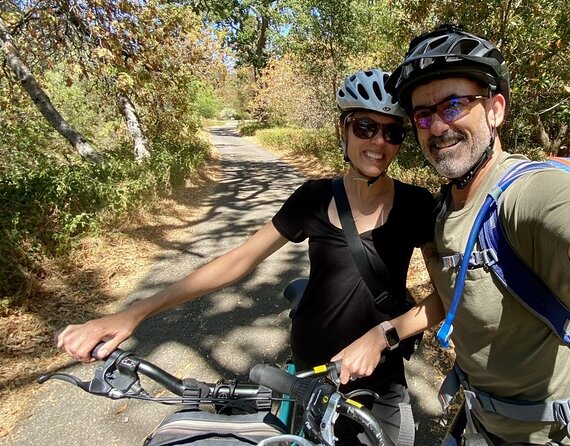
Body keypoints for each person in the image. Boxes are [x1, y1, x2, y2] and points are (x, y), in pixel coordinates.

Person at [57, 68, 437, 446]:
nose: (379, 141)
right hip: (310, 372)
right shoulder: (314, 199)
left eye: (393, 131)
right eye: (365, 127)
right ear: (344, 129)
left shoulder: (417, 205)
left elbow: (448, 297)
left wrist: (383, 335)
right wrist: (132, 313)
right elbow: (239, 260)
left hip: (380, 378)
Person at [332, 25, 570, 445]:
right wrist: (384, 334)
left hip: (567, 435)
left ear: (495, 109)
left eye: (453, 105)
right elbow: (453, 295)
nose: (437, 127)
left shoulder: (533, 195)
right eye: (423, 115)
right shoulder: (445, 211)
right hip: (482, 425)